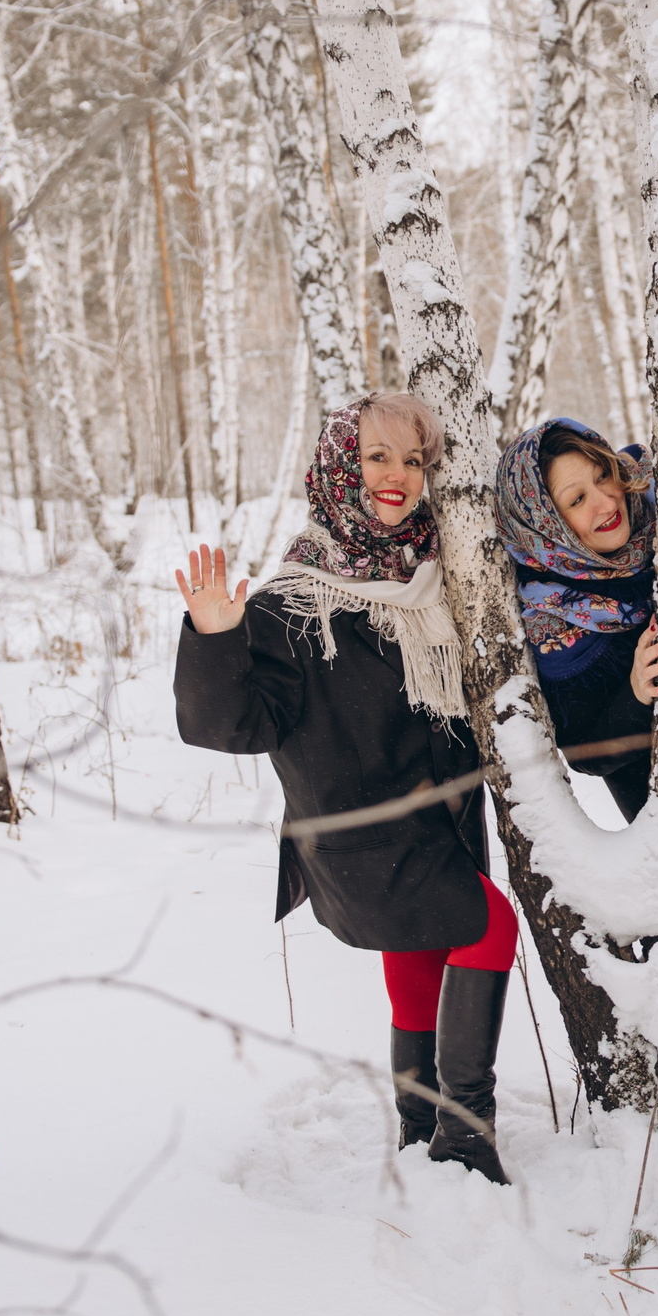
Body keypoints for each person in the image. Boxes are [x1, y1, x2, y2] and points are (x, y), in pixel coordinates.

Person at [173, 393, 519, 1183]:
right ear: (338, 465)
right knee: (487, 928)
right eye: (377, 456)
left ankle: (420, 1121)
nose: (397, 477)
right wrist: (217, 637)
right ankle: (464, 1137)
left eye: (413, 460)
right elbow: (230, 727)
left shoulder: (439, 577)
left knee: (420, 961)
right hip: (359, 840)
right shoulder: (296, 605)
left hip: (438, 828)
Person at [494, 419, 658, 820]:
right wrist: (636, 693)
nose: (607, 503)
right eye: (576, 500)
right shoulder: (553, 621)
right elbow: (585, 753)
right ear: (546, 527)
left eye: (603, 476)